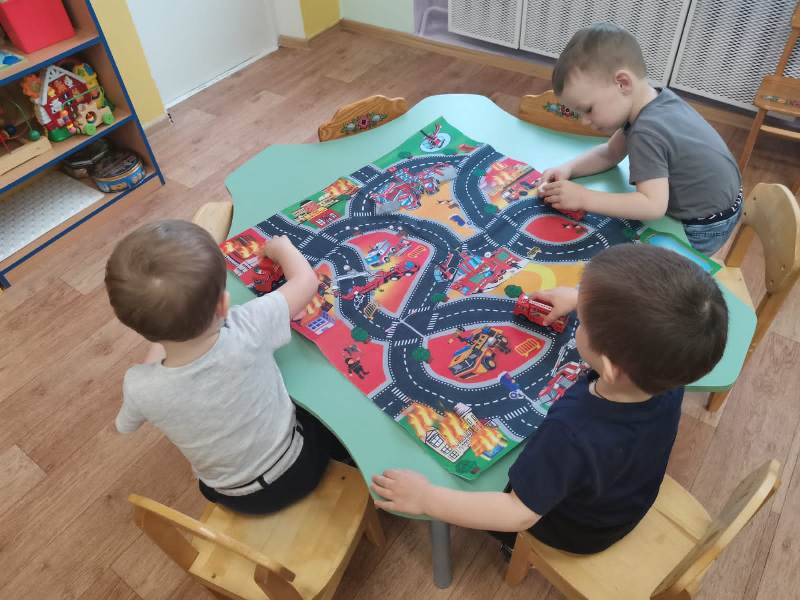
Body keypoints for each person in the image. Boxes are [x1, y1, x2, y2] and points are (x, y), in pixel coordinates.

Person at [370, 244, 728, 555]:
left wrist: (427, 499)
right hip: (625, 498)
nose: (579, 321)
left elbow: (517, 514)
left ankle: (512, 550)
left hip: (576, 529)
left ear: (608, 366)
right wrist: (581, 299)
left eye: (583, 321)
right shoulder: (668, 372)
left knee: (490, 484)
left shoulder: (572, 431)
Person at [106, 220, 332, 515]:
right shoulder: (247, 325)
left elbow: (124, 426)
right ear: (224, 306)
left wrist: (163, 336)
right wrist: (281, 248)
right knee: (323, 413)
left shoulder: (138, 386)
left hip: (231, 497)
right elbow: (306, 282)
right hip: (300, 470)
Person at [538, 23, 742, 255]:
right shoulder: (654, 100)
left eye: (588, 109)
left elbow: (652, 205)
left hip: (703, 227)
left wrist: (583, 198)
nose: (584, 121)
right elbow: (610, 153)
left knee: (625, 263)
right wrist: (568, 168)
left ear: (623, 83)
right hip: (727, 204)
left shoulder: (647, 131)